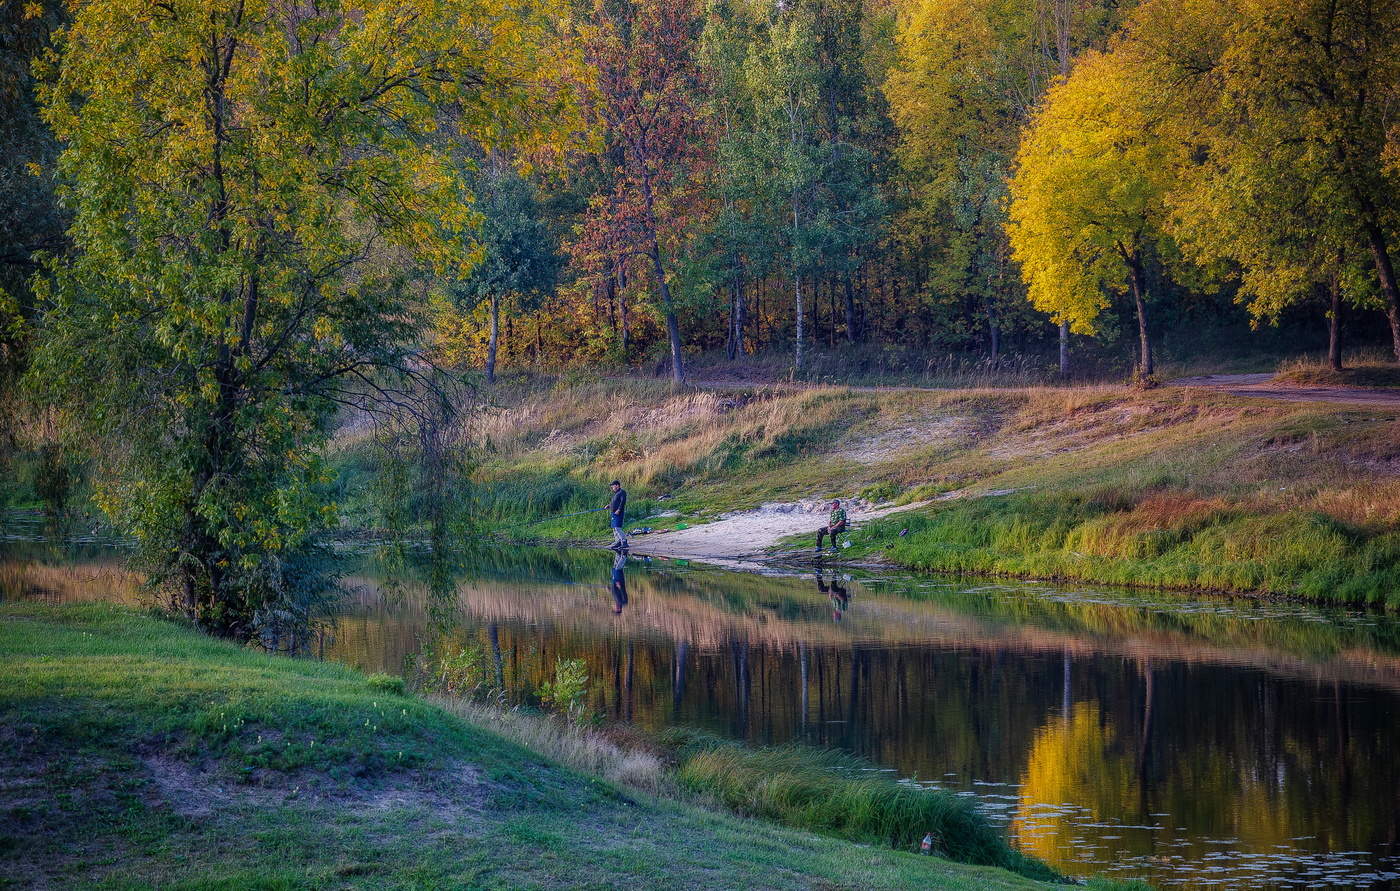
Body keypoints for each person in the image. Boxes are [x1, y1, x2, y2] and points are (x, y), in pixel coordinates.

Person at [606, 480, 628, 550]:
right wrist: (609, 505)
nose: (612, 487)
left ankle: (624, 542)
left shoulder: (622, 492)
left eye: (613, 485)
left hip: (618, 513)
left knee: (617, 528)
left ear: (617, 485)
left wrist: (619, 510)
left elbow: (622, 502)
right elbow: (615, 502)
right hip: (613, 513)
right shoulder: (616, 493)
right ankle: (618, 542)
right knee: (614, 528)